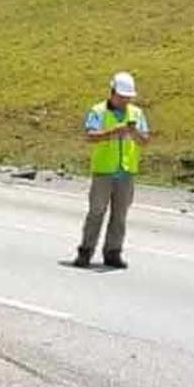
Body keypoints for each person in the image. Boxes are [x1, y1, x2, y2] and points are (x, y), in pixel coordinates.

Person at [72, 72, 150, 270]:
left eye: (128, 97)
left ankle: (113, 252)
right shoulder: (98, 111)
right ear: (112, 92)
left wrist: (134, 132)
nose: (125, 101)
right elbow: (90, 135)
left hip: (126, 173)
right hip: (104, 171)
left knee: (120, 215)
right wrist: (114, 131)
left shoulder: (136, 114)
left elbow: (145, 141)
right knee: (96, 213)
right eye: (122, 96)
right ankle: (86, 251)